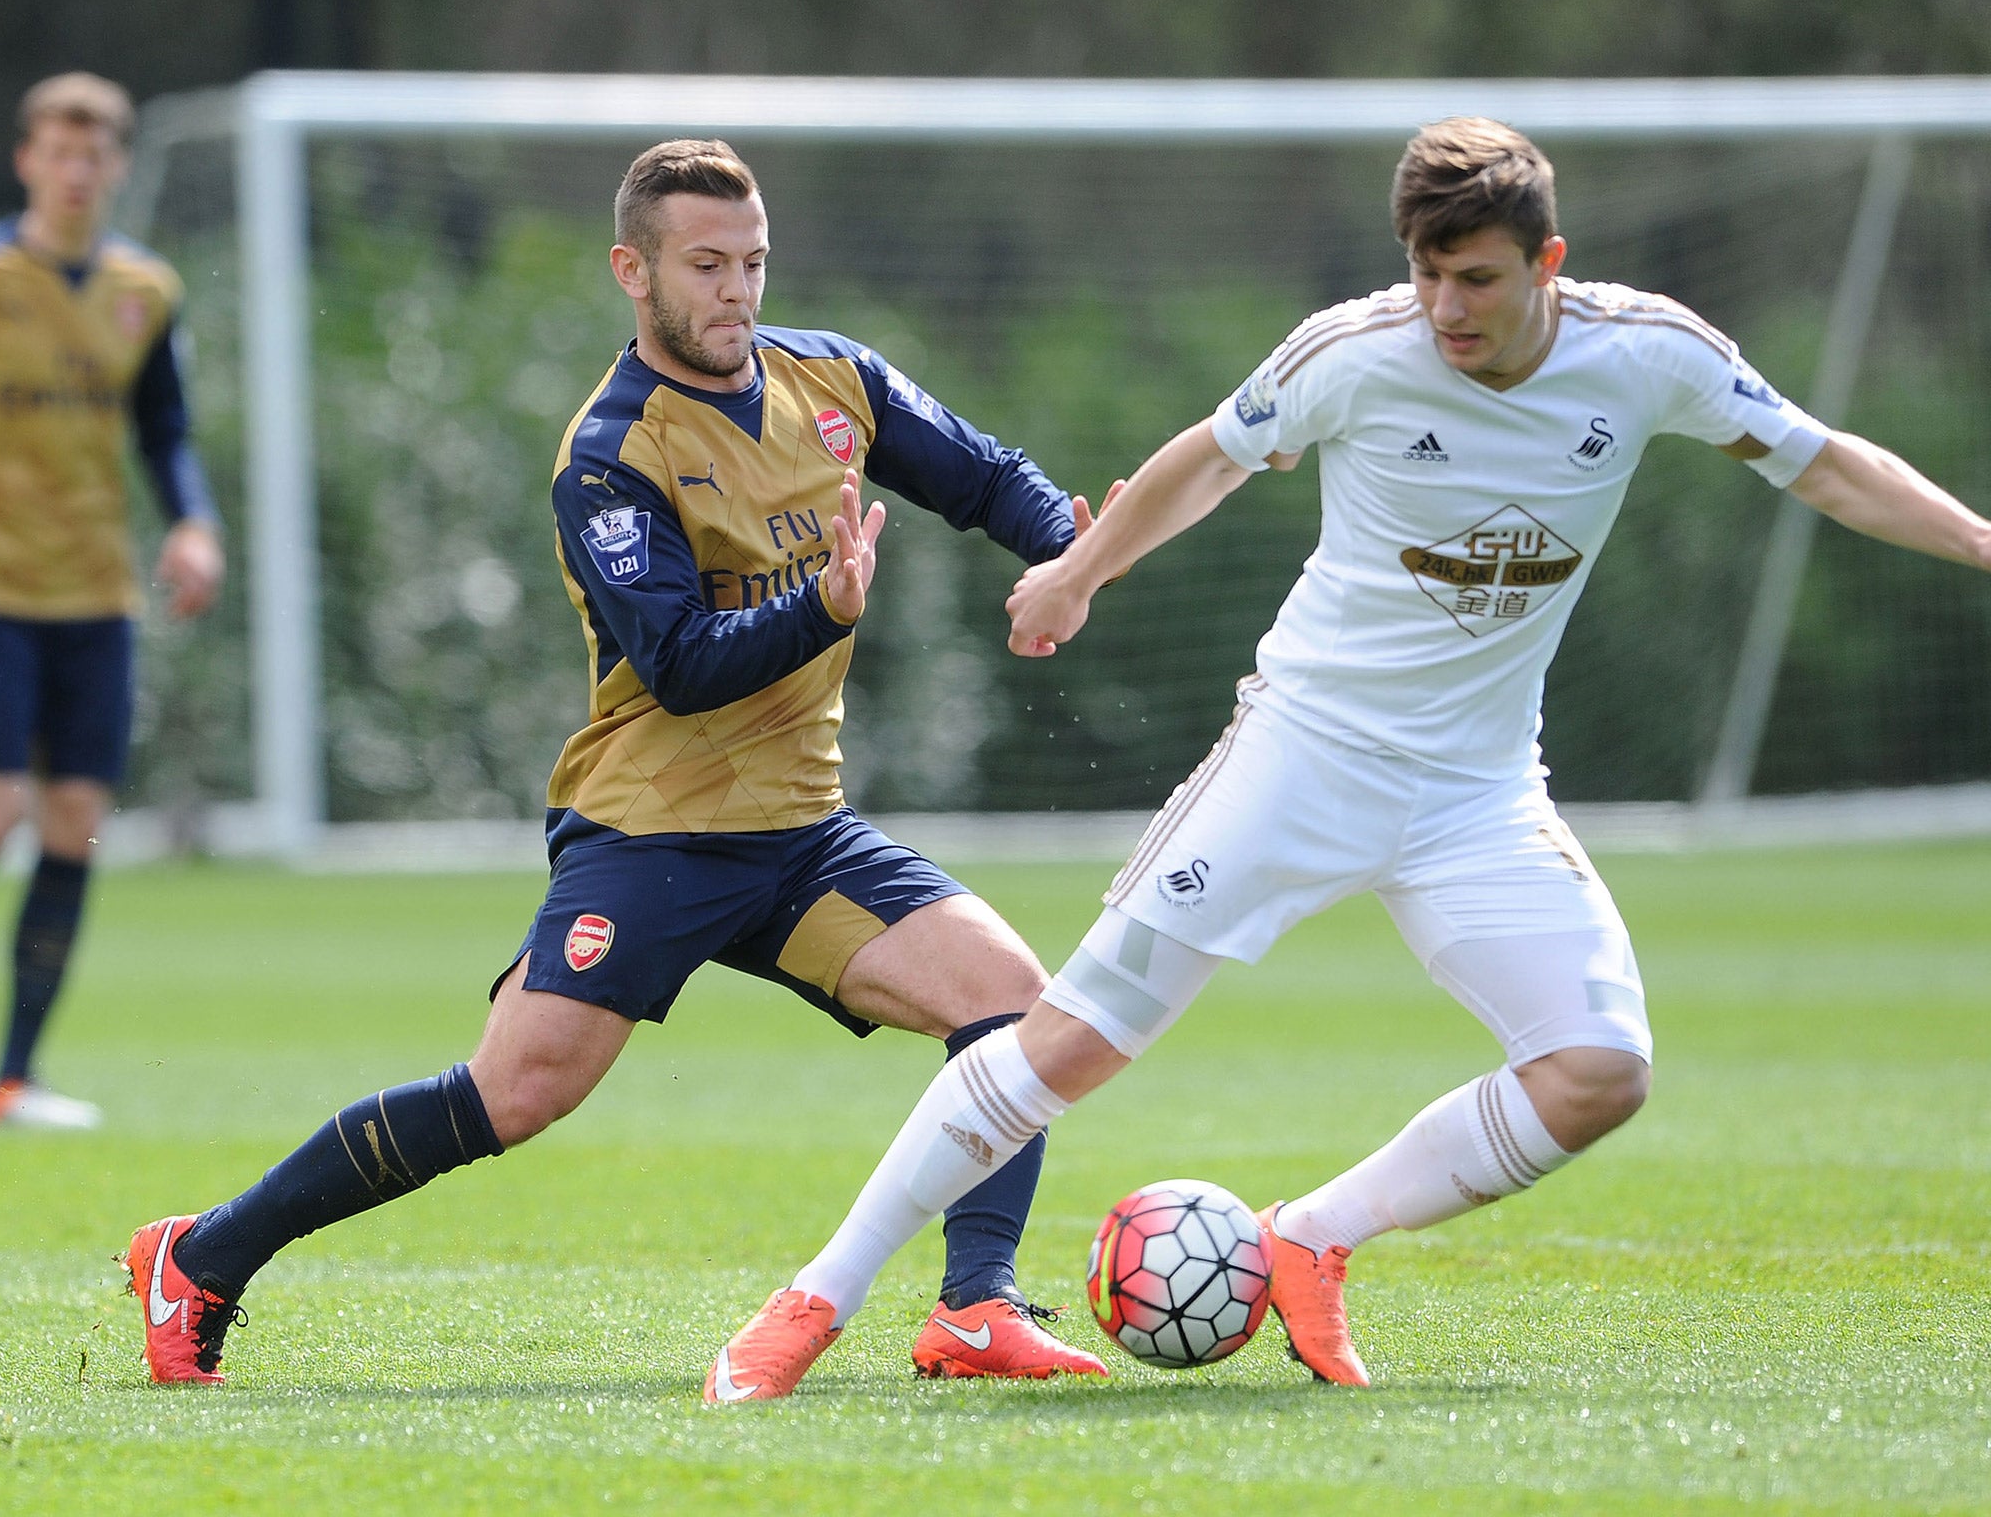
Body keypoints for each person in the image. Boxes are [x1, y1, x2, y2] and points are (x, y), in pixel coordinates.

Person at [714, 115, 1991, 1399]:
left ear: (1548, 260)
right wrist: (1074, 573)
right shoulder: (1355, 353)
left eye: (1476, 277)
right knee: (1068, 1045)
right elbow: (1202, 464)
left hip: (1479, 797)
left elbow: (1829, 468)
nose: (1444, 304)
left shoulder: (1646, 355)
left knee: (1598, 1071)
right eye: (1426, 272)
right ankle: (814, 1300)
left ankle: (1311, 1237)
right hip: (1299, 761)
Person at [125, 139, 1112, 1393]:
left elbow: (985, 476)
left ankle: (974, 1309)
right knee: (514, 1094)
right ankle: (201, 1259)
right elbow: (682, 663)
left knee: (1014, 1014)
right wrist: (822, 609)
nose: (736, 291)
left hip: (801, 833)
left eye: (751, 261)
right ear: (631, 272)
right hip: (652, 831)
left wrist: (1063, 554)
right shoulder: (609, 451)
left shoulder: (834, 378)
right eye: (705, 266)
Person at [0, 73, 224, 1131]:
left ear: (115, 167)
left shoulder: (143, 289)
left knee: (73, 822)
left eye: (94, 154)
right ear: (26, 160)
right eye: (58, 151)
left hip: (94, 599)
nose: (75, 171)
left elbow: (165, 429)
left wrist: (192, 522)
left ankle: (11, 1081)